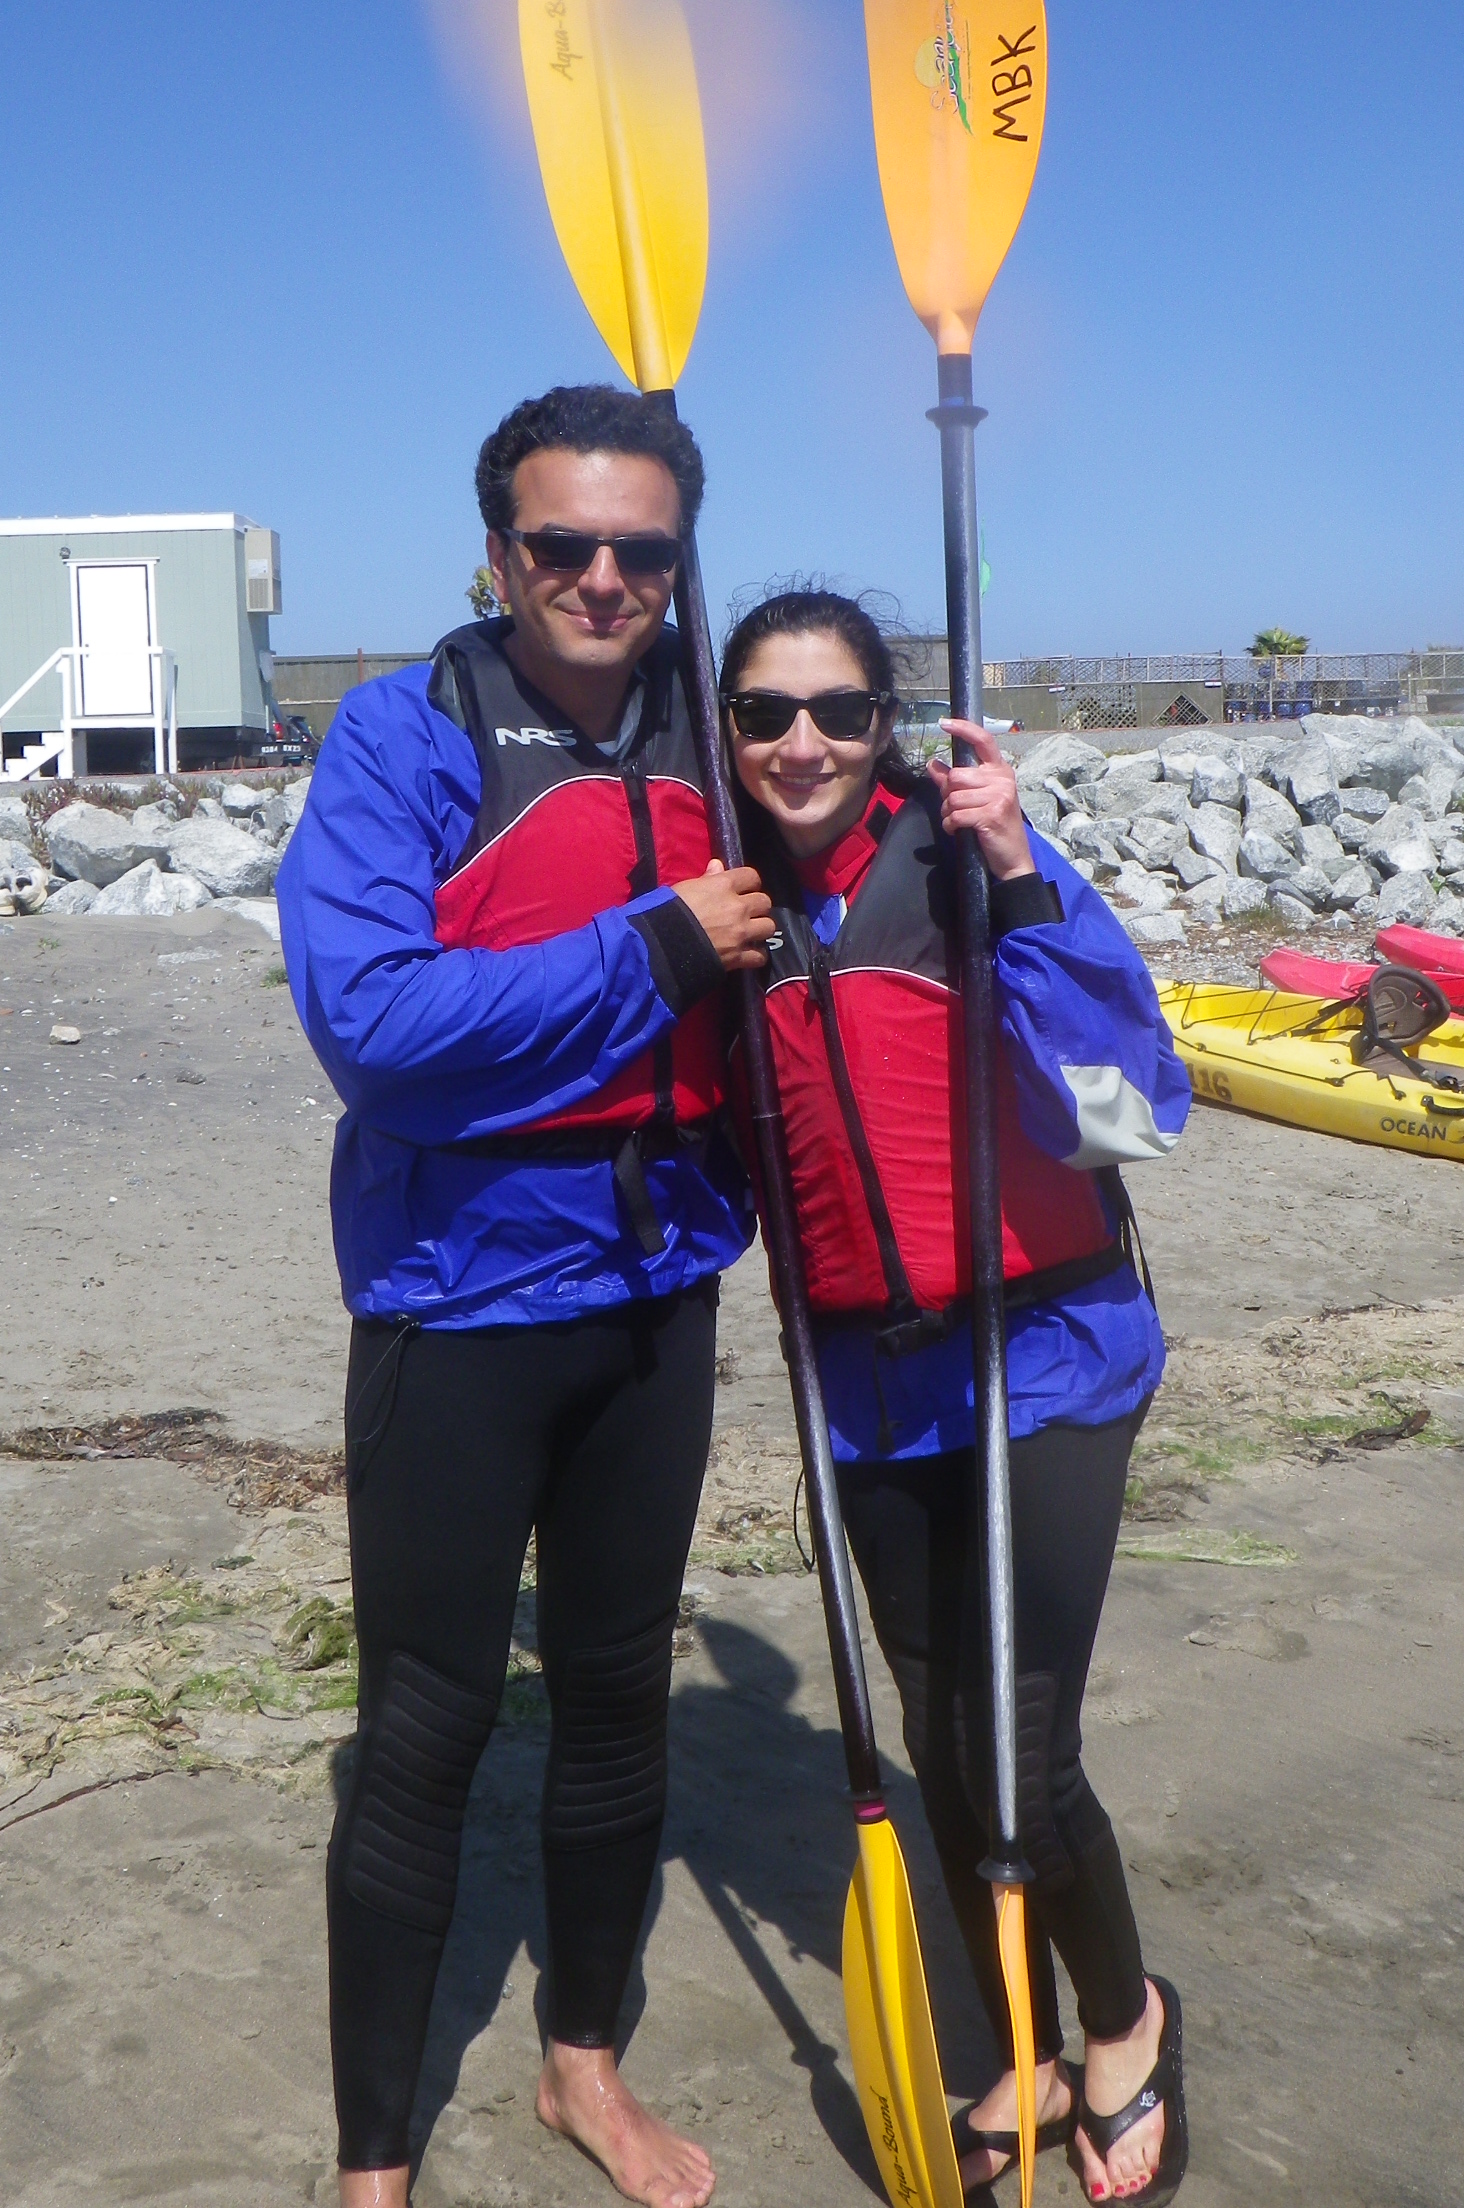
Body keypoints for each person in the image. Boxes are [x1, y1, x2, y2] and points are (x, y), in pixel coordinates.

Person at [279, 385, 774, 2208]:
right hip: (458, 1299)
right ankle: (374, 2163)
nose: (601, 576)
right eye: (560, 543)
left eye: (641, 548)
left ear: (677, 561)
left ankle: (583, 2067)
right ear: (496, 552)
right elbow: (380, 1035)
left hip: (658, 1292)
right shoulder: (403, 741)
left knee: (619, 1691)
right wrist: (652, 945)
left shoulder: (718, 744)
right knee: (424, 1724)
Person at [720, 588, 1193, 2208]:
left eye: (841, 713)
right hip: (867, 1387)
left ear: (888, 727)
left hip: (1051, 1357)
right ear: (728, 728)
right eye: (768, 714)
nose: (805, 746)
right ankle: (1016, 2046)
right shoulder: (727, 905)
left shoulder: (969, 861)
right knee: (940, 1739)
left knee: (1022, 1747)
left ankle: (1124, 2022)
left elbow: (1140, 1113)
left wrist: (1014, 874)